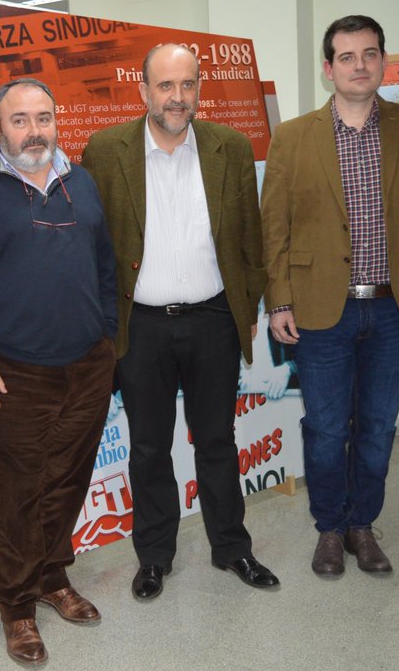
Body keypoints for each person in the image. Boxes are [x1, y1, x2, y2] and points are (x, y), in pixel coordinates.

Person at [81, 43, 279, 602]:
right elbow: (94, 246)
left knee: (217, 438)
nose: (177, 97)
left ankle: (232, 548)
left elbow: (250, 240)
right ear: (143, 91)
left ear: (199, 89)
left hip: (214, 318)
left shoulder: (230, 147)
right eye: (165, 86)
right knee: (147, 447)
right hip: (139, 326)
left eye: (187, 85)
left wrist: (251, 304)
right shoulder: (105, 149)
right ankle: (154, 557)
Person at [260, 15, 399, 578]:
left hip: (393, 308)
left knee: (376, 425)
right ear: (329, 69)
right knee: (323, 428)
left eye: (369, 54)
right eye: (347, 57)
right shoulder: (293, 137)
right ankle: (328, 528)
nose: (359, 65)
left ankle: (362, 525)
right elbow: (275, 227)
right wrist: (279, 300)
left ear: (383, 62)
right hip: (321, 310)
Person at [0, 77, 117, 666]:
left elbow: (105, 267)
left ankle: (51, 577)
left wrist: (109, 342)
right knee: (16, 493)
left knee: (67, 480)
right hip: (14, 374)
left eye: (44, 117)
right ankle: (17, 607)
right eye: (20, 120)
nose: (35, 130)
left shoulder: (82, 182)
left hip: (87, 365)